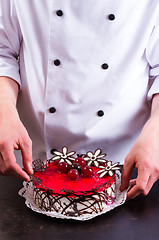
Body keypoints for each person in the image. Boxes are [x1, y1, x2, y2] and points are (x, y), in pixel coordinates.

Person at [0, 0, 159, 200]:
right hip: (30, 161)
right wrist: (4, 112)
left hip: (130, 165)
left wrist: (156, 131)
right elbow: (3, 50)